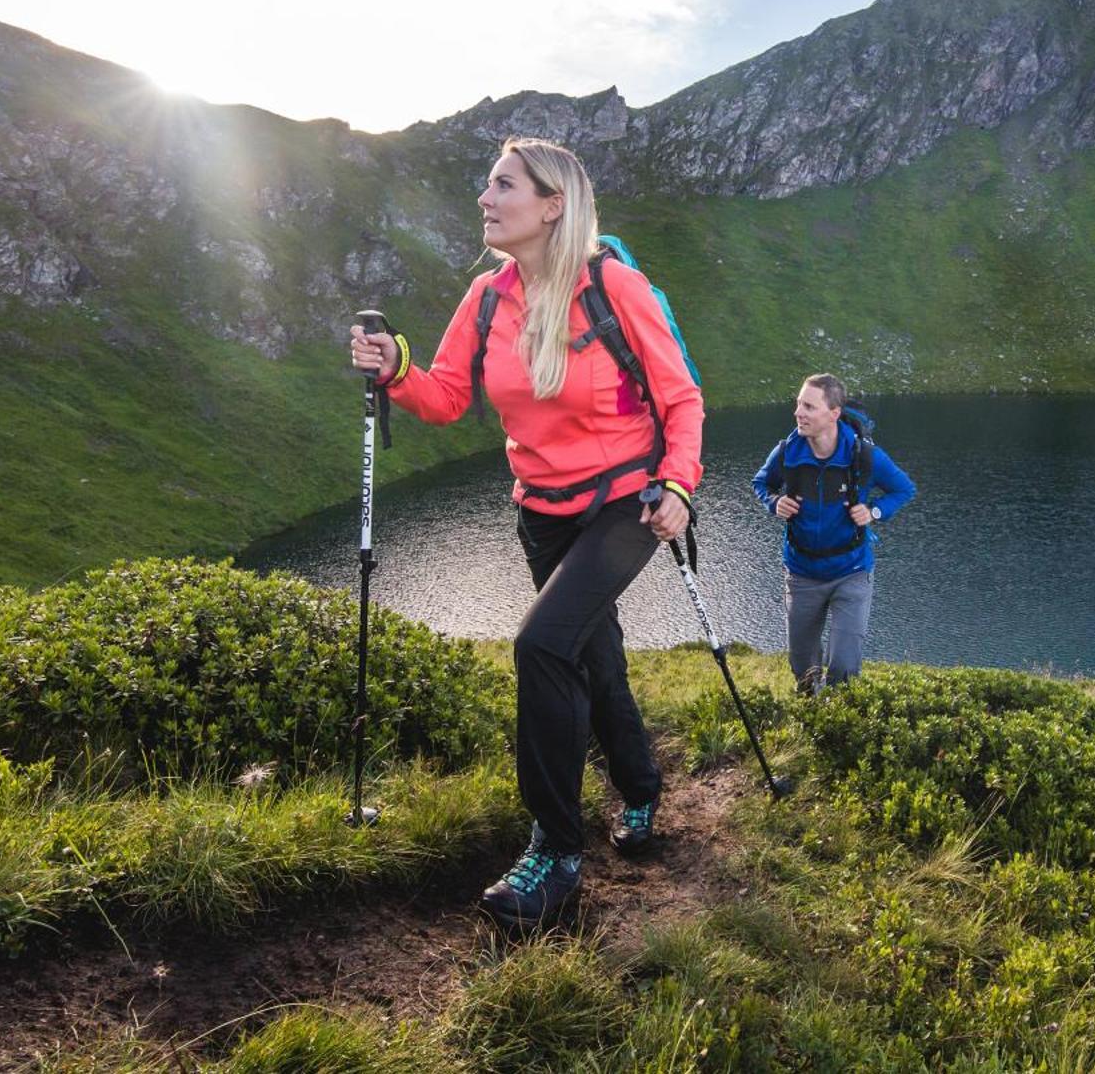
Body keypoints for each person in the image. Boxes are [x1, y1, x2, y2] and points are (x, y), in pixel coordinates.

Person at [348, 137, 701, 932]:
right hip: (540, 510)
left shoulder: (614, 284)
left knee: (542, 644)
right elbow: (442, 396)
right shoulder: (486, 297)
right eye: (486, 182)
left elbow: (681, 398)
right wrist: (394, 364)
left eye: (502, 184)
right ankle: (641, 789)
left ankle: (556, 850)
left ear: (552, 204)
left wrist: (678, 483)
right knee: (591, 653)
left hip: (624, 504)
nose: (485, 197)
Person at [752, 374, 916, 693]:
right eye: (799, 404)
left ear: (834, 414)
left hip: (851, 572)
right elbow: (761, 483)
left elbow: (904, 489)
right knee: (803, 668)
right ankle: (810, 721)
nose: (798, 412)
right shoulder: (787, 451)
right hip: (801, 573)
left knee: (842, 665)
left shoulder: (863, 455)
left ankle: (838, 725)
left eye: (809, 406)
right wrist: (774, 503)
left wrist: (874, 511)